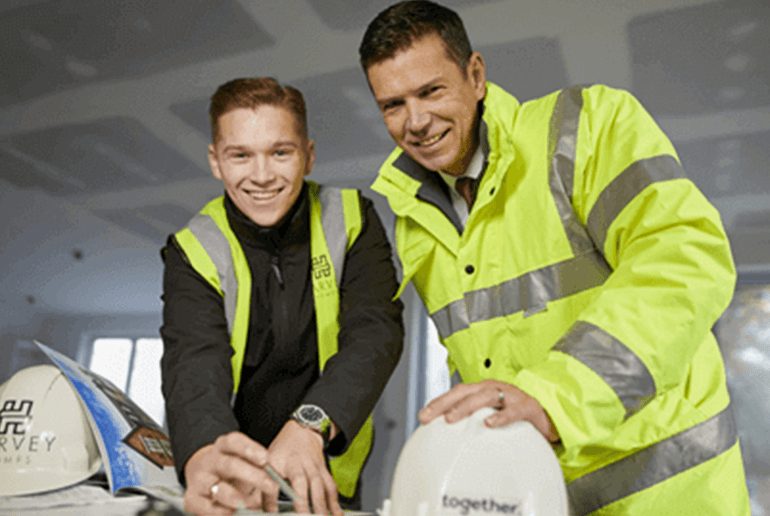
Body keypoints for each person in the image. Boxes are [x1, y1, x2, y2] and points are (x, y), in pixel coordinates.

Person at [359, 2, 750, 514]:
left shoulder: (585, 128)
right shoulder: (416, 219)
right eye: (393, 104)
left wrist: (553, 399)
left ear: (475, 76)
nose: (416, 121)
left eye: (431, 91)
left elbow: (685, 262)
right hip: (537, 499)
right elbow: (483, 366)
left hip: (673, 499)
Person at [160, 77, 404, 516]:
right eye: (240, 155)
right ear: (216, 162)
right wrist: (205, 458)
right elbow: (192, 362)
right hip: (232, 478)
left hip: (322, 468)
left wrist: (310, 423)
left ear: (308, 156)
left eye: (280, 152)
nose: (262, 176)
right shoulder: (193, 249)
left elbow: (375, 331)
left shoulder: (352, 217)